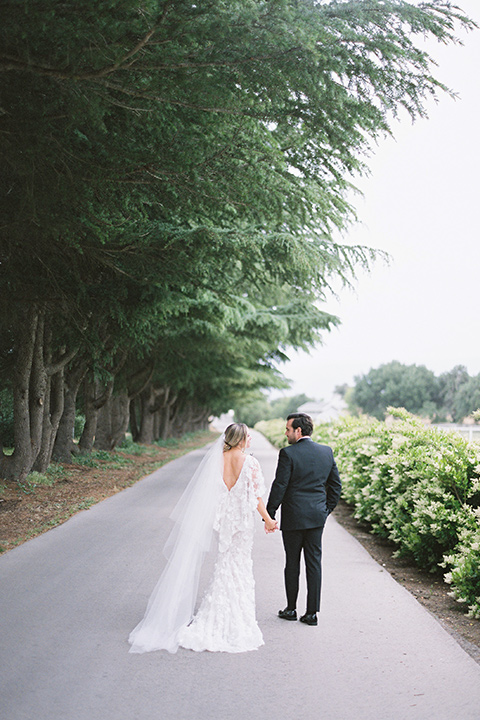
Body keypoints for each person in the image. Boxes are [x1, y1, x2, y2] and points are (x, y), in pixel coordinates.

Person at [128, 423, 277, 654]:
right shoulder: (250, 462)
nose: (250, 440)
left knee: (226, 563)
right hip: (241, 522)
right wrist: (268, 519)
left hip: (223, 521)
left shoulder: (217, 460)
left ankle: (217, 612)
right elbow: (256, 497)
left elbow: (210, 493)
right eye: (248, 436)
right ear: (240, 439)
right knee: (239, 566)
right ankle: (236, 618)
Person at [266, 412, 341, 626]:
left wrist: (269, 513)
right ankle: (312, 613)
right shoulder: (326, 452)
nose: (286, 433)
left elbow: (280, 485)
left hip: (293, 517)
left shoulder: (288, 454)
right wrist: (325, 510)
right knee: (314, 563)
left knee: (292, 562)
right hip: (317, 517)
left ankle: (291, 609)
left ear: (298, 431)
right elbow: (335, 486)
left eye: (288, 429)